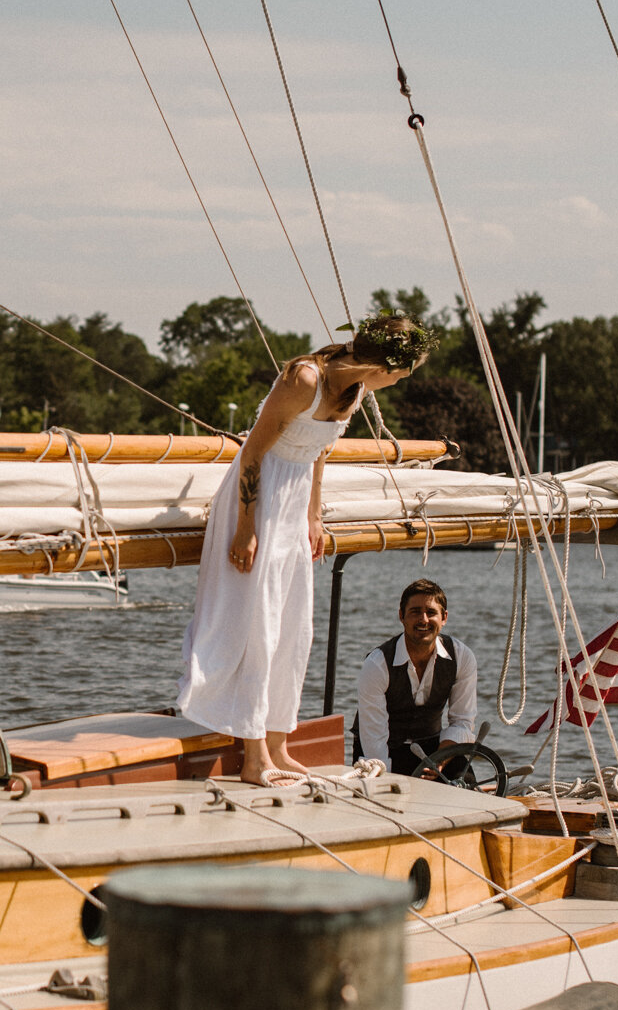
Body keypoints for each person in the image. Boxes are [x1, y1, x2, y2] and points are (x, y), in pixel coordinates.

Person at [178, 313, 432, 786]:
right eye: (402, 372)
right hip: (258, 500)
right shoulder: (304, 379)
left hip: (294, 505)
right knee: (261, 626)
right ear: (382, 363)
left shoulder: (357, 389)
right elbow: (253, 451)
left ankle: (277, 743)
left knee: (295, 628)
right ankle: (253, 757)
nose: (400, 381)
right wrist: (246, 528)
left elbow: (319, 453)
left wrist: (314, 515)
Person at [354, 579, 478, 775]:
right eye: (415, 612)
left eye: (431, 613)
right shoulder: (377, 664)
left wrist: (439, 761)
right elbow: (374, 741)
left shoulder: (462, 657)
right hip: (383, 752)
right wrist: (387, 782)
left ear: (444, 618)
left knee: (464, 782)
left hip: (435, 751)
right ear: (401, 616)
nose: (424, 620)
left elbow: (462, 722)